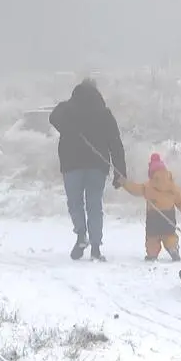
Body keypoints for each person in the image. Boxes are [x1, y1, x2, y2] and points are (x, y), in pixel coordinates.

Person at [49, 78, 127, 261]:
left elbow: (53, 117)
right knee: (94, 205)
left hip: (71, 165)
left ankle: (81, 235)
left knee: (75, 203)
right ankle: (96, 247)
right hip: (97, 167)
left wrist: (70, 112)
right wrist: (120, 171)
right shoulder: (104, 113)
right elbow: (116, 144)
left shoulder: (68, 110)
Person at [119, 153, 181, 261]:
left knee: (152, 237)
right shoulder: (172, 186)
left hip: (153, 217)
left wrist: (124, 183)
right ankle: (173, 248)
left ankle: (152, 254)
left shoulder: (148, 186)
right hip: (168, 216)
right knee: (169, 235)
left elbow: (136, 189)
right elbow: (180, 199)